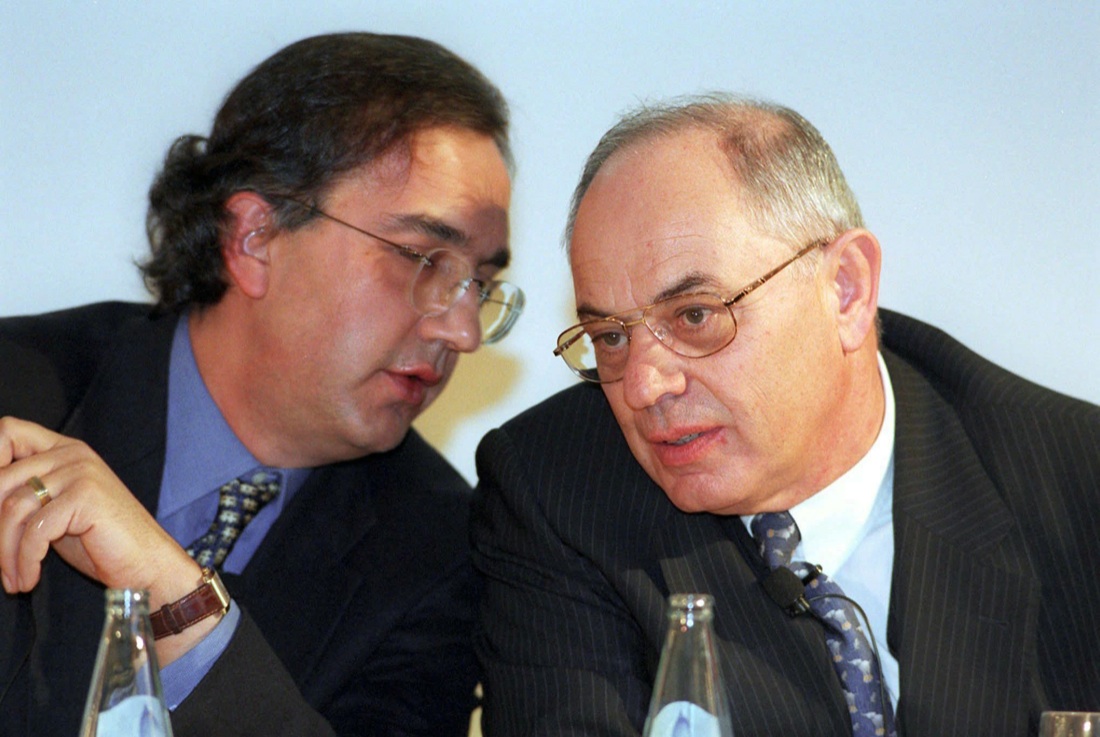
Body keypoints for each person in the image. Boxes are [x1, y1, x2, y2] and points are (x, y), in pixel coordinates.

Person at [471, 94, 1100, 736]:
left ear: (846, 289)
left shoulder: (1077, 480)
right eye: (610, 336)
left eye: (694, 315)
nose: (643, 386)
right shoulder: (557, 491)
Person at [0, 32, 523, 736]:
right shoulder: (16, 396)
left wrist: (178, 599)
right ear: (254, 238)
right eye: (424, 259)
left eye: (479, 283)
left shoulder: (437, 549)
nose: (463, 331)